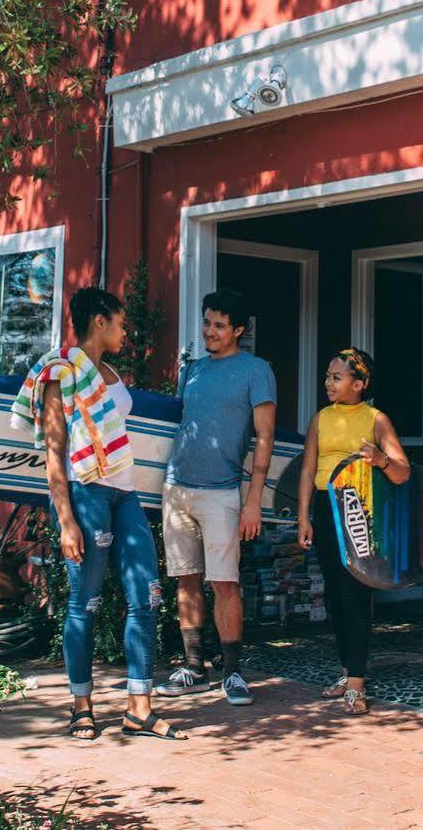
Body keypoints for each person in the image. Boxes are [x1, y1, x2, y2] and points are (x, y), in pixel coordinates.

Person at [13, 286, 184, 741]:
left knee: (146, 595)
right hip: (85, 493)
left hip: (123, 493)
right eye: (122, 323)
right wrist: (65, 518)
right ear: (100, 321)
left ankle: (138, 708)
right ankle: (81, 706)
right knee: (83, 602)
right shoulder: (61, 371)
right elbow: (54, 449)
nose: (126, 331)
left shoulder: (108, 371)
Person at [153, 288, 277, 705]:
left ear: (239, 330)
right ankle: (193, 666)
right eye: (207, 323)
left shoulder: (256, 370)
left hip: (223, 491)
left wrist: (253, 499)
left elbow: (265, 438)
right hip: (177, 486)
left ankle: (233, 672)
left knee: (225, 582)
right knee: (185, 578)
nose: (209, 331)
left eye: (219, 325)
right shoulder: (191, 371)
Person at [296, 347, 411, 716]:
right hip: (324, 507)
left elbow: (403, 472)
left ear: (359, 384)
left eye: (337, 377)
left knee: (355, 594)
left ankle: (357, 685)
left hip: (358, 510)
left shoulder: (376, 419)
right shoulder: (320, 419)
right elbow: (307, 467)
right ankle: (346, 675)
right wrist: (303, 517)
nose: (328, 383)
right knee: (333, 594)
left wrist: (380, 459)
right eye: (328, 376)